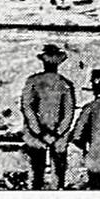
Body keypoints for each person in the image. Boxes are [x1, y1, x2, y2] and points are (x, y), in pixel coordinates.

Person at [21, 44, 77, 190]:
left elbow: (28, 110)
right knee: (57, 177)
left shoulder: (32, 81)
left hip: (36, 137)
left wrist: (40, 133)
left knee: (36, 176)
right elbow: (69, 114)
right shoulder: (65, 84)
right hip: (57, 138)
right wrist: (57, 133)